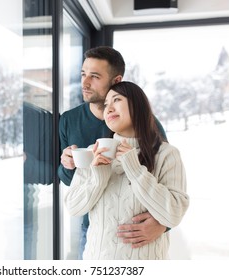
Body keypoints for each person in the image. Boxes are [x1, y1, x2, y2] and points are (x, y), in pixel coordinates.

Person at [58, 46, 168, 259]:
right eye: (83, 74)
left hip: (138, 234)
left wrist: (163, 225)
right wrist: (66, 165)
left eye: (95, 76)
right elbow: (73, 184)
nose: (85, 82)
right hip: (95, 231)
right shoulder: (69, 121)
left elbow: (167, 181)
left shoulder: (148, 124)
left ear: (116, 81)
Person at [64, 81, 189, 259]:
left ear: (138, 106)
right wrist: (98, 179)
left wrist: (135, 170)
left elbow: (174, 214)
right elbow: (73, 208)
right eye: (106, 104)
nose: (108, 108)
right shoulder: (94, 151)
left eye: (117, 100)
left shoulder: (166, 154)